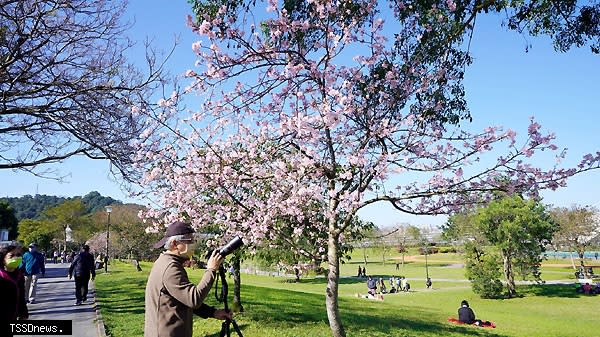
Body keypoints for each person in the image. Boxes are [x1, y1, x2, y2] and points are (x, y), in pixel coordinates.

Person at [144, 221, 232, 337]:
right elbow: (193, 299)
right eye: (189, 241)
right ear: (175, 243)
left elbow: (183, 299)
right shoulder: (170, 268)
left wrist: (213, 312)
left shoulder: (167, 262)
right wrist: (211, 270)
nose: (193, 244)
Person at [0, 243, 28, 336]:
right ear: (3, 259)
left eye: (18, 255)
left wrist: (23, 314)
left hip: (12, 316)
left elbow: (21, 296)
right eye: (12, 255)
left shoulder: (19, 275)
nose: (16, 258)